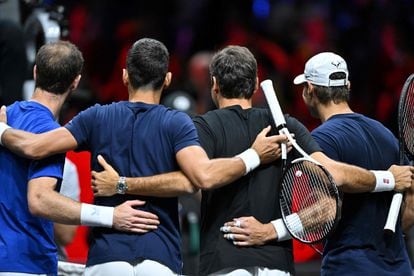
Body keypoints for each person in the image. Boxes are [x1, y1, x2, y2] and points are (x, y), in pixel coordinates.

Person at [87, 46, 414, 275]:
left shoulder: (199, 126)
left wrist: (122, 183)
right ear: (257, 85)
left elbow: (193, 180)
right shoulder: (293, 125)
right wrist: (272, 231)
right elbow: (330, 205)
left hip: (225, 261)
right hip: (286, 265)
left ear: (213, 86)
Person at [0, 38, 283, 275]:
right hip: (160, 259)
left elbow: (35, 147)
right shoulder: (178, 123)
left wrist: (2, 130)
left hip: (106, 259)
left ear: (124, 75)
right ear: (168, 79)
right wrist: (253, 155)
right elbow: (199, 178)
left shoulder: (95, 117)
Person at [0, 41, 160, 276]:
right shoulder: (49, 134)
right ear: (75, 82)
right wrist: (111, 216)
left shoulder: (5, 116)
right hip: (24, 263)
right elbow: (39, 200)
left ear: (35, 72)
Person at [292, 52, 412, 275]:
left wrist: (273, 230)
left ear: (309, 90)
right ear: (347, 85)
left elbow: (323, 213)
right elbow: (411, 205)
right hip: (400, 267)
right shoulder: (385, 134)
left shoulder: (317, 141)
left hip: (348, 266)